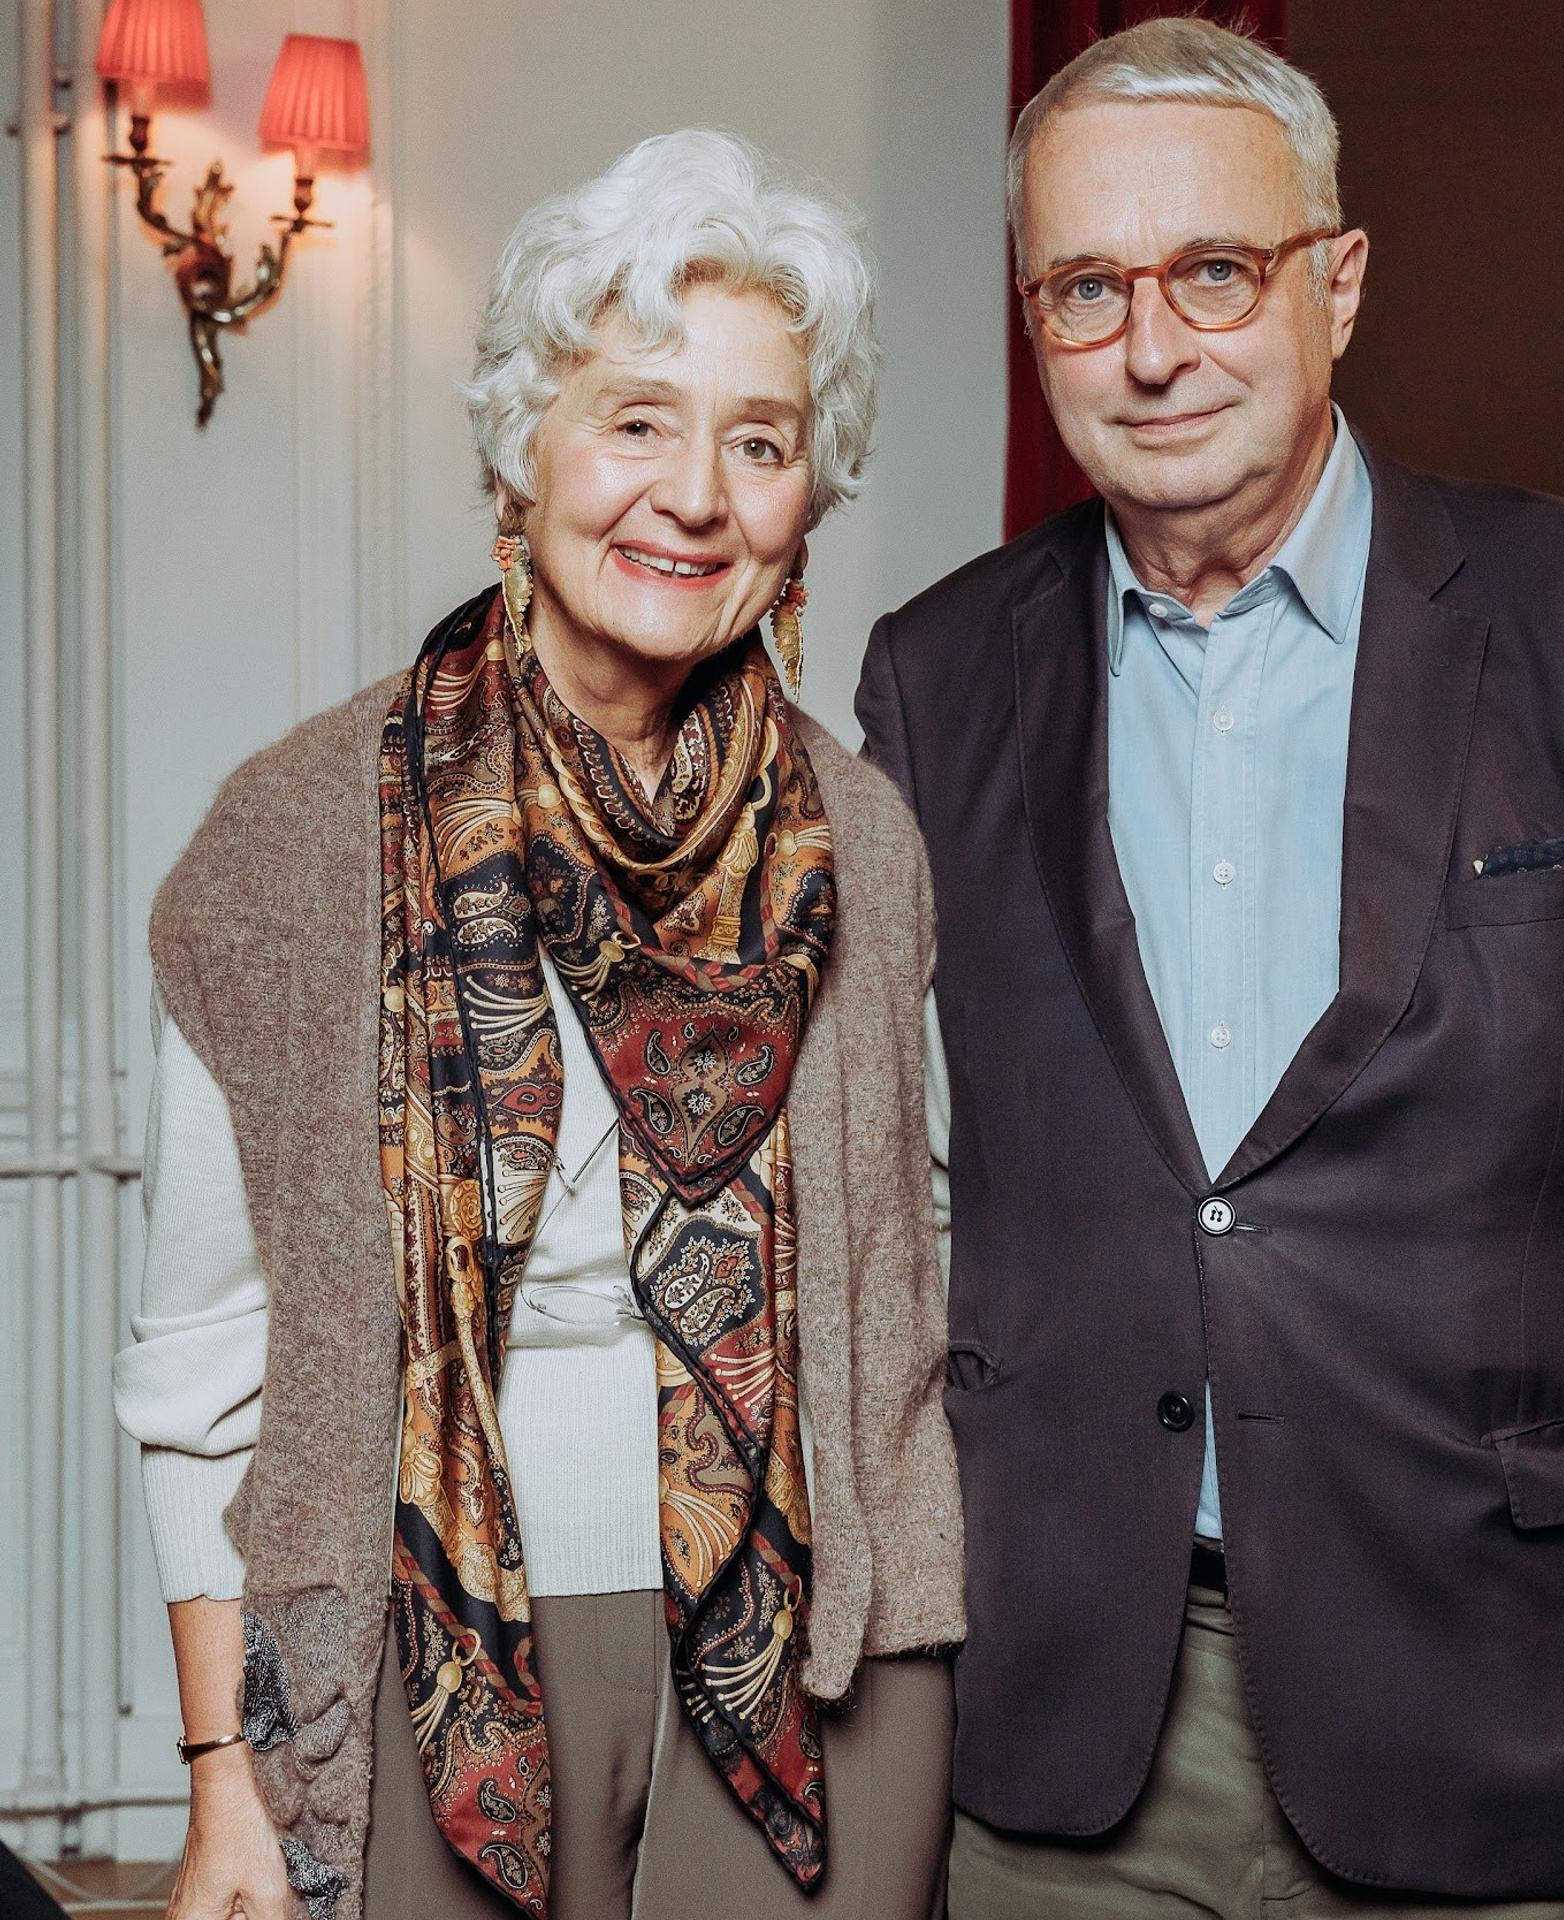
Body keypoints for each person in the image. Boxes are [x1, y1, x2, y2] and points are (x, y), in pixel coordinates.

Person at [857, 20, 1564, 1920]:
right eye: (1088, 289)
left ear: (1336, 284)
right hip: (1074, 1720)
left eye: (1214, 273)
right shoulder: (934, 680)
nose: (1153, 348)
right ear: (1034, 321)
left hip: (1514, 1692)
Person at [114, 128, 963, 1920]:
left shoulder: (863, 841)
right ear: (526, 447)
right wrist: (222, 1779)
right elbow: (199, 1379)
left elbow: (915, 1277)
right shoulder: (289, 842)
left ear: (808, 503)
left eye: (762, 439)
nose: (696, 495)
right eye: (637, 418)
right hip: (423, 1639)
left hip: (821, 1663)